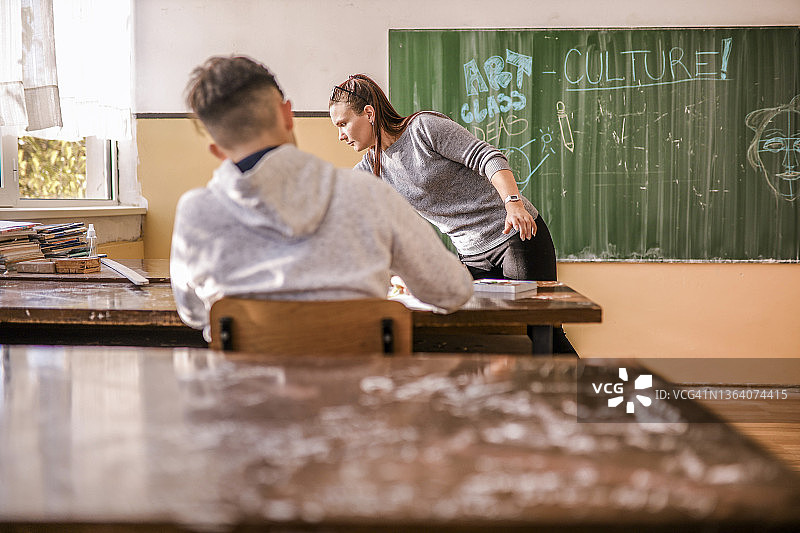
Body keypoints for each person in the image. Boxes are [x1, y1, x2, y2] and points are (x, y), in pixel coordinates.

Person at [171, 56, 473, 340]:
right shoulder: (368, 194)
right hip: (355, 392)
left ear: (217, 150)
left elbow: (194, 314)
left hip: (246, 392)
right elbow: (452, 291)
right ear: (287, 115)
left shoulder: (195, 214)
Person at [329, 74, 575, 354]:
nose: (340, 135)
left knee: (541, 333)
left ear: (369, 114)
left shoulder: (423, 129)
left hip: (514, 237)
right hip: (470, 256)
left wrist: (513, 204)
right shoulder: (372, 166)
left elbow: (488, 157)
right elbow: (342, 200)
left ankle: (590, 397)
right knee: (492, 341)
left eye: (343, 123)